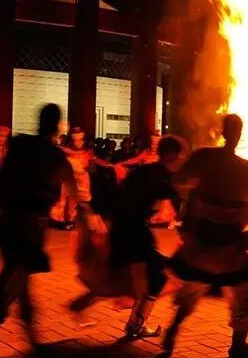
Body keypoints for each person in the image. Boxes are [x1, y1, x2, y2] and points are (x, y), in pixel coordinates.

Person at [0, 104, 81, 358]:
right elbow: (73, 187)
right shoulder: (54, 155)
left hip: (8, 222)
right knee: (10, 283)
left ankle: (32, 339)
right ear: (58, 125)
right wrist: (88, 211)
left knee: (21, 283)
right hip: (30, 225)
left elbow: (1, 180)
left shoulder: (20, 145)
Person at [161, 114, 248, 358]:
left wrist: (193, 196)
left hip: (203, 242)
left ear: (222, 132)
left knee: (193, 287)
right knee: (246, 292)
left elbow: (179, 178)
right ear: (237, 134)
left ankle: (172, 332)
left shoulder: (205, 157)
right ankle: (238, 345)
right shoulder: (245, 167)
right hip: (227, 246)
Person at [71, 135, 186, 336]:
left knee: (126, 276)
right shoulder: (158, 174)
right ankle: (135, 324)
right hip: (132, 231)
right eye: (179, 155)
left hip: (124, 228)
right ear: (171, 154)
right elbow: (173, 194)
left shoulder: (148, 170)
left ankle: (87, 307)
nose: (180, 159)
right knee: (150, 278)